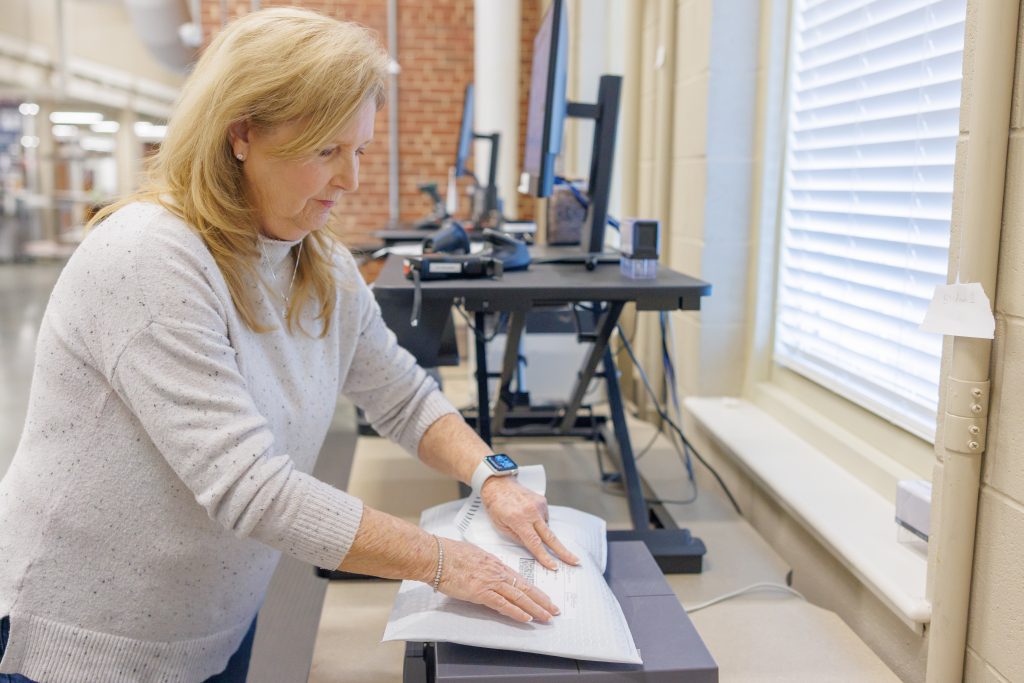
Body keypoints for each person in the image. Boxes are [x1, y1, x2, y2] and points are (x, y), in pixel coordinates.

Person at [0, 8, 579, 682]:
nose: (352, 179)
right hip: (83, 643)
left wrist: (493, 476)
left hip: (208, 627)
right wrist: (445, 560)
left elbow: (402, 395)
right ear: (241, 133)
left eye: (359, 150)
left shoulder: (315, 259)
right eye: (327, 151)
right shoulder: (149, 257)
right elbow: (252, 487)